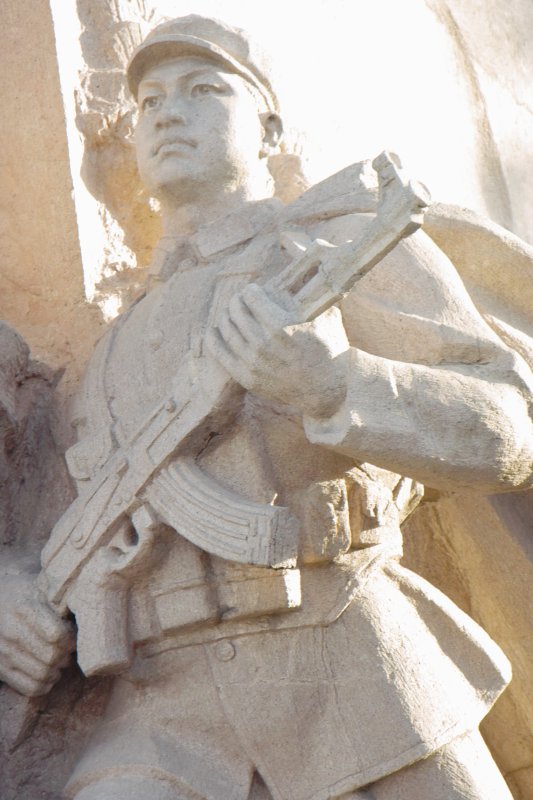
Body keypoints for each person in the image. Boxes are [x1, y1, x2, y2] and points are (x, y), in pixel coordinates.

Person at [1, 15, 532, 800]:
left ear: (269, 124)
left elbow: (505, 425)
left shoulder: (342, 249)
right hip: (158, 710)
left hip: (348, 661)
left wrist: (336, 385)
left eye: (204, 90)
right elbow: (59, 529)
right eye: (148, 102)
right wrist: (11, 598)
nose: (168, 114)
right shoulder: (113, 349)